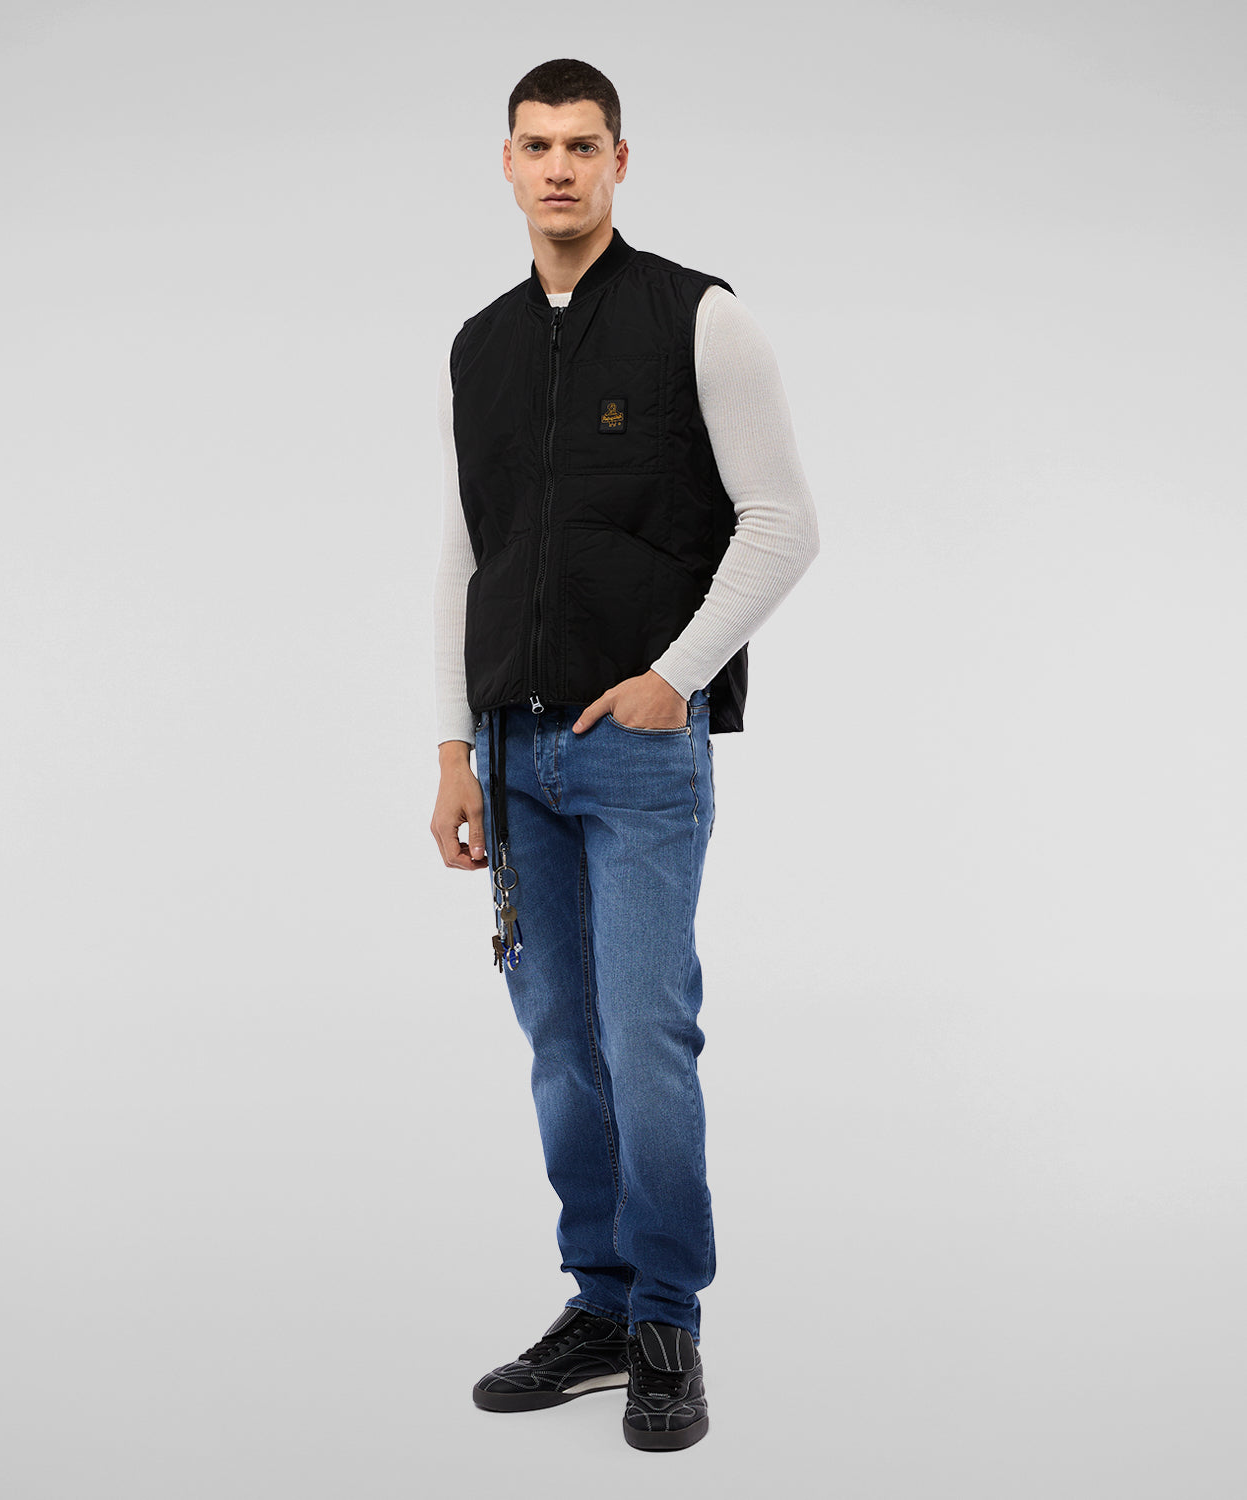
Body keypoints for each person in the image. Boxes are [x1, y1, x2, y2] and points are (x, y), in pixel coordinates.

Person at [429, 57, 819, 1452]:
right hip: (511, 752)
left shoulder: (699, 318)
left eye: (582, 146)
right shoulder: (479, 345)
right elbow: (470, 555)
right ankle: (598, 1305)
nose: (558, 168)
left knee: (645, 1036)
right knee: (558, 1040)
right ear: (506, 162)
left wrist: (674, 679)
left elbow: (783, 522)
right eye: (535, 146)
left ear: (620, 161)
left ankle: (666, 1320)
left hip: (640, 756)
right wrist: (452, 747)